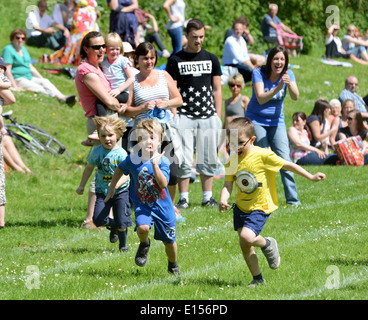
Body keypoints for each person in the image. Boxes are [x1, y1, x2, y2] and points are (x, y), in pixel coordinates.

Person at [219, 117, 326, 286]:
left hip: (260, 206)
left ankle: (267, 243)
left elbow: (288, 165)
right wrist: (223, 198)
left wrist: (311, 176)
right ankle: (258, 279)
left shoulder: (262, 155)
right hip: (241, 207)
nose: (236, 148)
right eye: (232, 144)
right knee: (245, 245)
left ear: (252, 139)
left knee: (247, 237)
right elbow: (227, 184)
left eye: (240, 143)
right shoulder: (232, 160)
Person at [105, 119, 180, 274]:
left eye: (153, 138)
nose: (148, 142)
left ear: (160, 141)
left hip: (163, 207)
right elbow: (120, 169)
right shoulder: (133, 160)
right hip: (143, 204)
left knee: (169, 242)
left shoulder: (163, 161)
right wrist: (112, 186)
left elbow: (163, 183)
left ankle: (173, 264)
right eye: (144, 138)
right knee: (142, 227)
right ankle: (144, 244)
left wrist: (154, 166)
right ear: (138, 141)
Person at [166, 18, 222, 209]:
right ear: (187, 36)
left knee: (209, 158)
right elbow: (171, 88)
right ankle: (184, 199)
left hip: (208, 115)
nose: (198, 41)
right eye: (194, 37)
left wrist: (217, 114)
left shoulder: (212, 58)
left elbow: (217, 89)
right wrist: (174, 114)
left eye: (201, 37)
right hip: (184, 116)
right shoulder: (175, 59)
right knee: (183, 159)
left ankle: (207, 197)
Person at [124, 41, 183, 219]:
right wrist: (142, 107)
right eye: (145, 58)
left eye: (152, 58)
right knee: (141, 173)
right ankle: (141, 207)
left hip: (165, 130)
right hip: (142, 133)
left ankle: (170, 206)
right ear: (137, 59)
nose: (149, 62)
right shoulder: (133, 80)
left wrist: (167, 103)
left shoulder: (163, 75)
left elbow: (179, 99)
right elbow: (127, 110)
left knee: (172, 172)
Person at [75, 31, 125, 229]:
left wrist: (118, 104)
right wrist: (118, 103)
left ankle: (104, 215)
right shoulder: (86, 70)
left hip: (110, 120)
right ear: (86, 49)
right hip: (101, 122)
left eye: (103, 46)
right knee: (102, 167)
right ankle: (90, 218)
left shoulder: (98, 68)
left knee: (111, 168)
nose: (102, 50)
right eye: (97, 47)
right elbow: (107, 100)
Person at [245, 46, 300, 206]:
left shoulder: (288, 74)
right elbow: (261, 98)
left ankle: (293, 200)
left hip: (277, 122)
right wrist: (278, 87)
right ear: (270, 60)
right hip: (256, 120)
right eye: (276, 58)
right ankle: (262, 198)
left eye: (282, 59)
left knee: (284, 159)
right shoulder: (258, 73)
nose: (279, 62)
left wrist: (289, 84)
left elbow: (295, 97)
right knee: (262, 160)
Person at [76, 116, 132, 252]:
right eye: (103, 136)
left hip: (121, 192)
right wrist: (82, 185)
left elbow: (127, 174)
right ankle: (113, 226)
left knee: (122, 221)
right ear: (99, 137)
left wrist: (116, 185)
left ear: (118, 135)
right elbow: (89, 168)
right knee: (98, 219)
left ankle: (123, 246)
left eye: (110, 135)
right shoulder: (96, 151)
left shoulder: (121, 154)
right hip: (102, 191)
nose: (107, 139)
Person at [82, 32, 135, 145]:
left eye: (117, 49)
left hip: (122, 93)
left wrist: (119, 90)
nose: (114, 52)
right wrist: (85, 62)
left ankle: (99, 129)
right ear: (106, 49)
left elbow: (131, 78)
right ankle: (97, 133)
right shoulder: (104, 61)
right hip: (112, 93)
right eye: (111, 49)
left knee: (99, 102)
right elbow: (93, 67)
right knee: (100, 103)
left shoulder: (123, 60)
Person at [1, 28, 76, 106]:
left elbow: (31, 67)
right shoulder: (8, 50)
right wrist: (14, 86)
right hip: (18, 78)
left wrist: (41, 78)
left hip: (29, 76)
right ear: (12, 38)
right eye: (17, 38)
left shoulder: (23, 49)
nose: (20, 40)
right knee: (39, 88)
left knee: (45, 81)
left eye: (23, 38)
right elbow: (7, 70)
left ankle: (62, 97)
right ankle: (59, 99)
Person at [49, 0, 99, 66]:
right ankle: (75, 57)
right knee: (77, 37)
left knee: (88, 36)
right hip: (81, 13)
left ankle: (87, 58)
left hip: (90, 13)